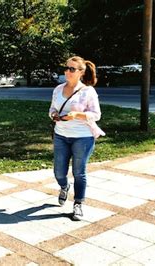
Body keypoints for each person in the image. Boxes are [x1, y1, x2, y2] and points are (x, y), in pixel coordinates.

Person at [49, 56, 105, 221]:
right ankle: (65, 186)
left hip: (82, 137)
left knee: (79, 172)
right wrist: (53, 114)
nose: (67, 71)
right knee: (59, 172)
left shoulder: (88, 91)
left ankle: (78, 203)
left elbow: (96, 115)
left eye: (72, 69)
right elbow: (52, 107)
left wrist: (77, 115)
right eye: (66, 68)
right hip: (61, 135)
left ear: (81, 72)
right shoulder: (58, 89)